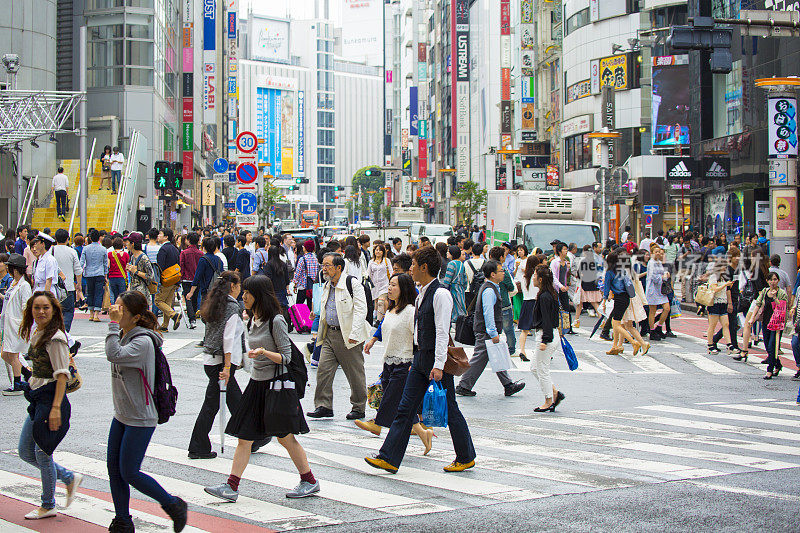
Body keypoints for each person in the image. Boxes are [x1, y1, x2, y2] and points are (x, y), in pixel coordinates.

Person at [206, 275, 319, 501]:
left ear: (259, 296)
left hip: (275, 388)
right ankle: (232, 485)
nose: (243, 296)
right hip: (256, 385)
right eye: (244, 292)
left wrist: (264, 353)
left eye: (248, 293)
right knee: (244, 437)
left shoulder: (275, 320)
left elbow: (286, 357)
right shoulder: (252, 319)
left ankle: (309, 481)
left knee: (285, 437)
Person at [365, 246, 476, 474]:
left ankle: (465, 456)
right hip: (418, 358)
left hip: (434, 360)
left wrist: (437, 365)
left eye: (414, 265)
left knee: (450, 408)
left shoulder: (440, 294)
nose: (411, 269)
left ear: (424, 267)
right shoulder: (422, 293)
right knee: (405, 408)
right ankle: (389, 457)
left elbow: (443, 332)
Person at [105, 291, 188, 532]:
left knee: (130, 472)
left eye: (121, 309)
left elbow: (113, 355)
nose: (115, 311)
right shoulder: (124, 334)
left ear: (136, 317)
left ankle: (173, 505)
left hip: (141, 416)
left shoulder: (141, 342)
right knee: (114, 470)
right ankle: (122, 520)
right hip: (121, 413)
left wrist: (111, 324)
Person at [17, 291, 83, 520]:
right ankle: (67, 477)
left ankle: (48, 504)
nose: (41, 312)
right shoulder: (40, 331)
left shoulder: (55, 337)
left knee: (42, 453)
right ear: (31, 310)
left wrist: (55, 409)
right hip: (38, 398)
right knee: (25, 452)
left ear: (53, 310)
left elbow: (62, 375)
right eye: (37, 308)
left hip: (50, 401)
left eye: (46, 308)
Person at [360, 273, 435, 452]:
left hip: (405, 362)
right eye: (389, 285)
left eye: (394, 285)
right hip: (388, 361)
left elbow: (418, 339)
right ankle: (424, 434)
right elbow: (383, 328)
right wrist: (373, 340)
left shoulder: (410, 311)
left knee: (392, 397)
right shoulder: (390, 310)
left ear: (404, 289)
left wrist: (415, 361)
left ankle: (377, 424)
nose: (389, 288)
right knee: (403, 405)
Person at [188, 271, 250, 459]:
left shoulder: (214, 302)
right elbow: (228, 339)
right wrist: (227, 367)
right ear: (233, 286)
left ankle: (250, 438)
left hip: (211, 359)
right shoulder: (231, 307)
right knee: (217, 405)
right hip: (220, 362)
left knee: (231, 402)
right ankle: (198, 445)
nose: (241, 291)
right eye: (239, 286)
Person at [307, 252, 370, 420]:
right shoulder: (328, 284)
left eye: (327, 265)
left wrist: (355, 333)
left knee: (355, 373)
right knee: (323, 371)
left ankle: (358, 407)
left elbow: (361, 309)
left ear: (338, 267)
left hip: (348, 336)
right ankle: (323, 405)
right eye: (323, 265)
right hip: (329, 335)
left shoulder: (352, 283)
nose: (324, 269)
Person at [456, 259, 525, 397]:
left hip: (486, 330)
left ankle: (508, 385)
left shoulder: (491, 287)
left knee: (495, 356)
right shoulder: (489, 290)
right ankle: (463, 385)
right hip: (485, 331)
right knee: (479, 358)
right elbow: (488, 313)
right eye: (501, 271)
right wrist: (493, 332)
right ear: (493, 274)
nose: (503, 273)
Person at [529, 265, 566, 412]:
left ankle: (549, 400)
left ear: (540, 279)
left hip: (546, 335)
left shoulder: (545, 296)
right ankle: (554, 393)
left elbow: (547, 320)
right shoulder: (548, 294)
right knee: (534, 368)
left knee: (542, 369)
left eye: (534, 276)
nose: (532, 278)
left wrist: (545, 340)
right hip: (548, 334)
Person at [1, 254, 33, 395]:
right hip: (9, 324)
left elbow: (26, 307)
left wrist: (24, 325)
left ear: (14, 270)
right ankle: (26, 372)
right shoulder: (14, 284)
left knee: (13, 355)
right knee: (4, 354)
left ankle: (17, 383)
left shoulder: (24, 286)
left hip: (16, 325)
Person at [602, 252, 641, 355]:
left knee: (616, 324)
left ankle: (633, 342)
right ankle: (615, 346)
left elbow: (606, 288)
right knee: (617, 323)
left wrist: (604, 301)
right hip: (626, 298)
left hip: (619, 298)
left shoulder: (609, 272)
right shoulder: (622, 270)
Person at [751, 272, 788, 379]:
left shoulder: (781, 293)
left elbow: (782, 307)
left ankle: (769, 370)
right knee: (768, 346)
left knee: (773, 345)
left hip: (777, 324)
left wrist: (775, 297)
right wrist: (752, 318)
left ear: (778, 281)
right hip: (766, 322)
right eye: (771, 280)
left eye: (775, 279)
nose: (773, 282)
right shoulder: (764, 291)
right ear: (767, 281)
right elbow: (758, 304)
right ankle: (778, 364)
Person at [52, 229, 82, 331]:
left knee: (54, 312)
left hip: (54, 287)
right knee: (68, 311)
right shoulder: (72, 251)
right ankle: (65, 331)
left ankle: (55, 331)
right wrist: (79, 284)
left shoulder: (51, 251)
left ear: (55, 238)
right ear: (67, 239)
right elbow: (78, 270)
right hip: (68, 287)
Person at [704, 258, 733, 355]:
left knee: (726, 324)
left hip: (723, 303)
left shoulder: (724, 278)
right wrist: (725, 285)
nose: (725, 268)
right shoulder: (713, 277)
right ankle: (710, 345)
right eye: (724, 266)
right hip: (714, 303)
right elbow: (714, 289)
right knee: (712, 325)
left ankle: (729, 345)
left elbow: (727, 291)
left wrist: (729, 303)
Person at [155, 229, 182, 331]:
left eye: (160, 234)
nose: (158, 236)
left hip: (165, 280)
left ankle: (174, 315)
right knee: (167, 302)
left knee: (158, 301)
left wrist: (158, 280)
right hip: (174, 279)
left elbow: (160, 267)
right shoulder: (174, 248)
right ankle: (165, 325)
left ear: (166, 237)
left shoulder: (163, 249)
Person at [517, 254, 541, 362]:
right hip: (536, 302)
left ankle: (522, 350)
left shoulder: (524, 277)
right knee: (540, 329)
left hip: (526, 303)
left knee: (524, 330)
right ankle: (541, 352)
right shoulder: (536, 277)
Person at [81, 229, 110, 321]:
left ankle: (91, 314)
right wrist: (105, 275)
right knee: (98, 293)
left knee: (90, 293)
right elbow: (105, 263)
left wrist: (80, 272)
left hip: (89, 273)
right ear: (99, 238)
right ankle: (97, 314)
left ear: (90, 238)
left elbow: (82, 262)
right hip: (100, 273)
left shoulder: (86, 248)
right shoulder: (103, 249)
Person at [186, 237, 224, 305]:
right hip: (217, 290)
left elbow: (197, 276)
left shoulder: (203, 260)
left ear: (204, 247)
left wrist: (191, 292)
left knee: (206, 311)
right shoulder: (219, 260)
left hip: (206, 290)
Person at [645, 246, 671, 340]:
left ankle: (659, 327)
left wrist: (666, 274)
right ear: (652, 253)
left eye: (659, 252)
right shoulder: (651, 263)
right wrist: (663, 277)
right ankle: (652, 331)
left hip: (660, 289)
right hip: (653, 289)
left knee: (667, 308)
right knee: (653, 310)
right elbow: (653, 277)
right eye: (656, 252)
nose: (658, 254)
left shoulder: (659, 262)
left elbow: (661, 273)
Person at [550, 242, 575, 335]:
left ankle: (567, 327)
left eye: (566, 249)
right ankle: (556, 326)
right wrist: (560, 286)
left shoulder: (566, 262)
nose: (566, 251)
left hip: (564, 288)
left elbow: (566, 275)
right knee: (556, 307)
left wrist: (567, 284)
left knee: (566, 307)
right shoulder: (555, 262)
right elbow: (553, 276)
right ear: (560, 251)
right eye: (564, 249)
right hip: (556, 289)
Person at [180, 232, 203, 329]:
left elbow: (181, 266)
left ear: (188, 240)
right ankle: (193, 317)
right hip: (197, 279)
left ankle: (192, 318)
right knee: (194, 297)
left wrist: (180, 278)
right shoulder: (201, 253)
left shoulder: (184, 253)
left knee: (187, 297)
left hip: (186, 278)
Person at [124, 232, 156, 300]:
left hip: (142, 293)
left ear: (132, 244)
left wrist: (136, 271)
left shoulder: (144, 258)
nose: (126, 244)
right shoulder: (132, 257)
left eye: (128, 242)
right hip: (133, 291)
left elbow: (150, 276)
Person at [440, 245, 467, 322]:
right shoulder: (461, 264)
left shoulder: (451, 264)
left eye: (448, 252)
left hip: (453, 289)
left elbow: (447, 280)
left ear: (452, 253)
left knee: (454, 308)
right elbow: (465, 279)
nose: (447, 253)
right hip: (460, 289)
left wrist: (444, 289)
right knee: (461, 306)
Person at [367, 244, 392, 323]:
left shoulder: (386, 260)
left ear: (383, 252)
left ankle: (379, 320)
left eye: (380, 250)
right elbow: (369, 274)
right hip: (375, 286)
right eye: (376, 250)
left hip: (384, 284)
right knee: (377, 302)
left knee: (381, 301)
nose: (378, 252)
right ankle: (383, 316)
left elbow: (391, 272)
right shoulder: (371, 262)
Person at [292, 239, 318, 307]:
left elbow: (298, 273)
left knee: (299, 306)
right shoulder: (315, 259)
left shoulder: (302, 259)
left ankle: (300, 318)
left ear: (305, 248)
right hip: (311, 286)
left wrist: (295, 284)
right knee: (310, 306)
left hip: (303, 286)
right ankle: (309, 317)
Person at [108, 237, 129, 305]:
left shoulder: (110, 254)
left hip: (112, 277)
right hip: (122, 277)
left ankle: (116, 310)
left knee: (115, 296)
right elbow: (127, 266)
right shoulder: (126, 254)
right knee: (122, 296)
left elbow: (108, 266)